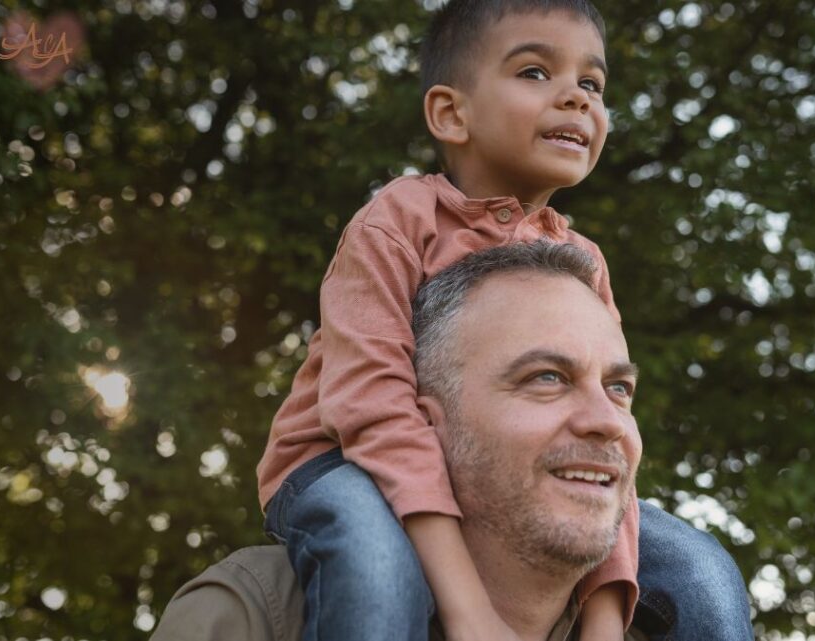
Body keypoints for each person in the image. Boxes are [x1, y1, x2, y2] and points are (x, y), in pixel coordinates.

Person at [254, 1, 749, 639]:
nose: (576, 98)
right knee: (375, 566)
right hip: (344, 461)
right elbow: (370, 404)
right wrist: (468, 608)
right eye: (536, 73)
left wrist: (601, 619)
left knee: (703, 572)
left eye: (592, 84)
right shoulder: (399, 220)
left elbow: (609, 427)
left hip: (505, 471)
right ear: (450, 113)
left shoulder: (583, 264)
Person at [154, 242, 754, 640]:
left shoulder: (669, 627)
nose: (608, 421)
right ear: (424, 425)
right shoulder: (259, 617)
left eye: (620, 390)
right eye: (547, 377)